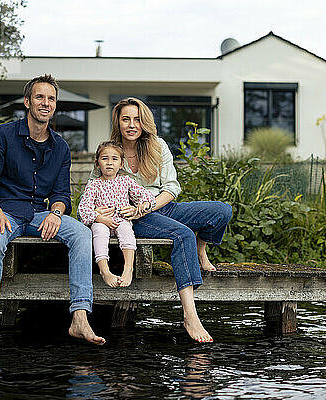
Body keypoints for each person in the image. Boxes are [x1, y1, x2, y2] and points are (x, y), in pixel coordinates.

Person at [0, 74, 105, 346]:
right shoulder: (2, 136)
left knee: (81, 233)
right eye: (40, 97)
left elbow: (61, 195)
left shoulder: (60, 147)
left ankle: (80, 316)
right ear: (27, 102)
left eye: (51, 99)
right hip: (4, 211)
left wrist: (56, 213)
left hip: (38, 214)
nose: (46, 103)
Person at [91, 97, 233, 343]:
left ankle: (202, 247)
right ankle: (190, 314)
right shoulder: (110, 152)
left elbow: (171, 187)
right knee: (182, 234)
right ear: (118, 122)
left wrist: (148, 206)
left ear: (145, 122)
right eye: (126, 119)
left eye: (137, 119)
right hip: (132, 219)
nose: (132, 124)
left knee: (221, 211)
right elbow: (95, 188)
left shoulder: (158, 146)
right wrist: (104, 213)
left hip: (161, 206)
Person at [78, 141, 155, 288]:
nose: (109, 163)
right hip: (101, 221)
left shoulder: (126, 181)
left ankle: (128, 268)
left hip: (121, 220)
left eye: (114, 159)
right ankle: (104, 270)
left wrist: (142, 205)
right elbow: (83, 210)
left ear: (121, 164)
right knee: (99, 231)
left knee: (127, 231)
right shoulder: (94, 184)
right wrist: (99, 217)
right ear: (97, 163)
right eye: (104, 158)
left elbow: (147, 196)